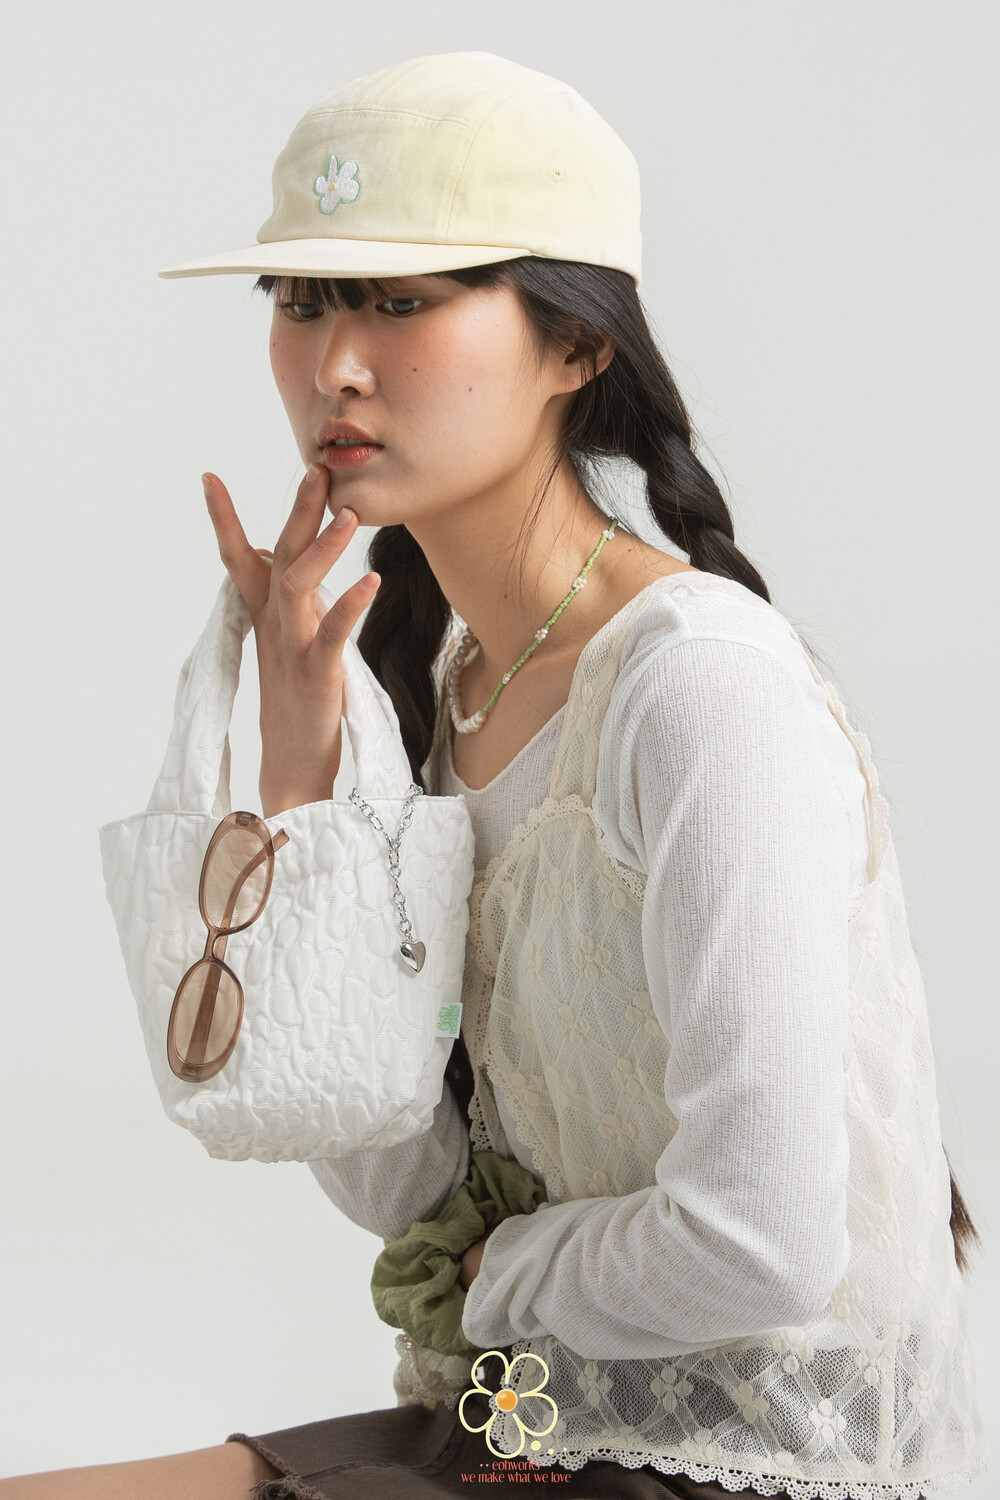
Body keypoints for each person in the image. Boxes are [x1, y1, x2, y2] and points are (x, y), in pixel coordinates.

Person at [5, 49, 989, 1500]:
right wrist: (304, 785)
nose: (335, 364)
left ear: (578, 344)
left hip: (746, 1462)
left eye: (401, 303)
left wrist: (501, 1274)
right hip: (525, 1421)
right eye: (300, 300)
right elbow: (403, 1189)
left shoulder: (698, 685)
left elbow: (767, 1239)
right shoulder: (447, 686)